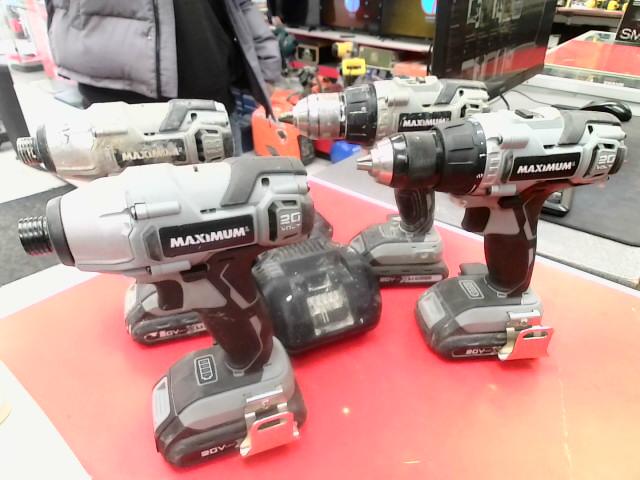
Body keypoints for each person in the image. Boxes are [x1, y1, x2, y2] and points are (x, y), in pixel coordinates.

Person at [45, 0, 282, 151]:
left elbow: (239, 4)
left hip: (213, 98)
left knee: (229, 207)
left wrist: (264, 57)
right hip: (120, 108)